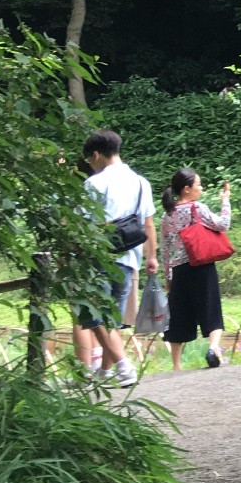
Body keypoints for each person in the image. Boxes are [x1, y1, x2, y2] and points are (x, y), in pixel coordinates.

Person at [75, 129, 155, 387]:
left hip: (99, 255)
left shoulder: (94, 183)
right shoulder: (141, 182)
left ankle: (124, 366)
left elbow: (79, 223)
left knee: (92, 313)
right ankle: (104, 373)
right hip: (129, 256)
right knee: (111, 318)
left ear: (96, 155)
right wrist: (150, 256)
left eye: (90, 160)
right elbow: (148, 223)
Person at [160, 167, 232, 371]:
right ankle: (213, 348)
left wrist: (167, 276)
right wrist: (225, 201)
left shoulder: (167, 216)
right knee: (211, 309)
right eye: (198, 184)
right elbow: (223, 224)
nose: (200, 188)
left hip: (179, 271)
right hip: (201, 266)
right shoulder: (197, 208)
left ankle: (176, 365)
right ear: (186, 189)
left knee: (178, 316)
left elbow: (165, 250)